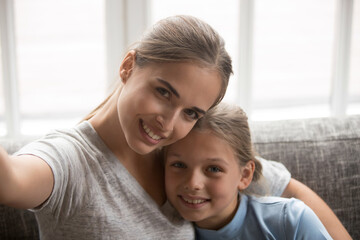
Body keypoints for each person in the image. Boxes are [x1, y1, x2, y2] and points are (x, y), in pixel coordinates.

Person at [0, 15, 350, 239]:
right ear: (127, 67)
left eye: (191, 112)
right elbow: (11, 180)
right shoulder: (72, 162)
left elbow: (288, 189)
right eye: (163, 92)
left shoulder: (183, 148)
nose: (167, 123)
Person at [164, 102, 333, 239]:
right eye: (179, 165)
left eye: (214, 168)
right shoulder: (159, 231)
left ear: (244, 175)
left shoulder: (291, 221)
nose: (193, 183)